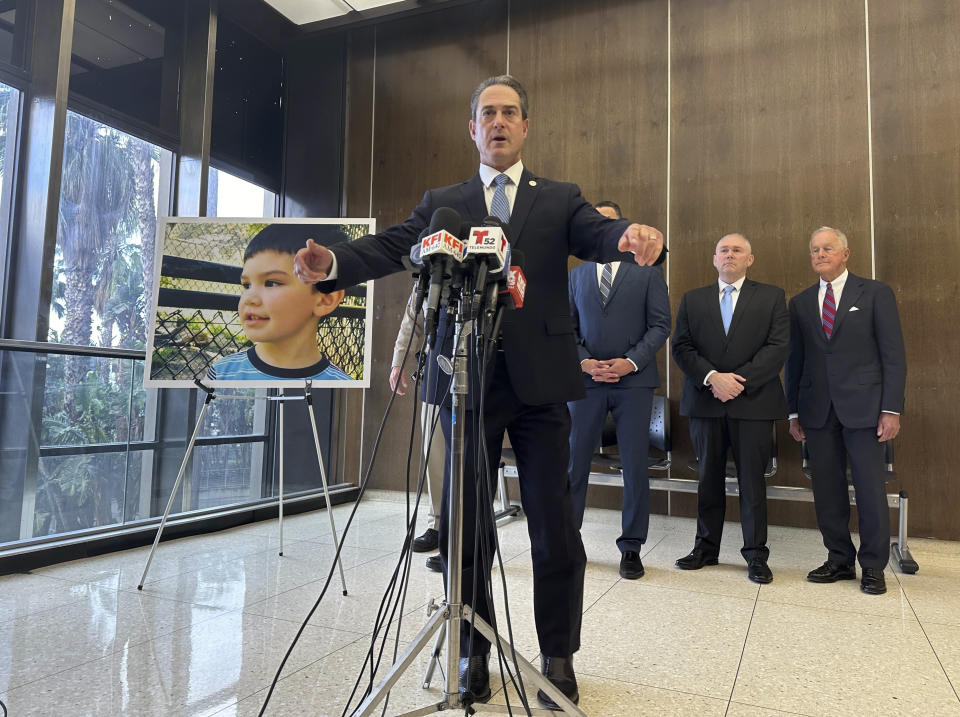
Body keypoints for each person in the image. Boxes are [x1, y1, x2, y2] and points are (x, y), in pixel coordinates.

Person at [292, 75, 665, 709]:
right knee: (466, 530)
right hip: (462, 380)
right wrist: (336, 263)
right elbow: (393, 245)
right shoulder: (447, 202)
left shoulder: (559, 197)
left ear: (525, 127)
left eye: (510, 113)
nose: (498, 122)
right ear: (473, 128)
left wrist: (629, 237)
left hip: (542, 387)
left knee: (554, 529)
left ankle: (557, 657)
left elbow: (598, 234)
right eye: (487, 112)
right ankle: (472, 652)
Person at [785, 227, 906, 595]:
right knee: (827, 489)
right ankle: (838, 559)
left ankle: (873, 566)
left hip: (866, 409)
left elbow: (893, 355)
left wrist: (891, 409)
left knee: (869, 489)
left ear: (845, 254)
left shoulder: (875, 293)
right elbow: (795, 361)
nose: (820, 254)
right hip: (817, 411)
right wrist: (793, 412)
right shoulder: (802, 303)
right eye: (814, 250)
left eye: (827, 248)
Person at [672, 233, 788, 584]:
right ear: (714, 259)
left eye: (737, 250)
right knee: (708, 477)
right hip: (706, 402)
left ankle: (755, 555)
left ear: (750, 259)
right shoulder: (692, 300)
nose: (730, 255)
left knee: (752, 481)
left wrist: (736, 381)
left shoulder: (771, 297)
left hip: (753, 401)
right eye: (724, 250)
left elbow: (777, 347)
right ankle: (706, 549)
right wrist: (712, 378)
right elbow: (682, 347)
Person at [567, 200, 670, 580]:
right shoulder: (575, 276)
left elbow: (660, 326)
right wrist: (584, 362)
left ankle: (631, 547)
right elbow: (567, 328)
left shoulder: (646, 272)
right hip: (585, 382)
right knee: (574, 465)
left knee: (635, 468)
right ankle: (569, 542)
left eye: (611, 223)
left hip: (634, 383)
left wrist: (629, 362)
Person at [207, 224, 349, 382]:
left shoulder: (342, 384)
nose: (249, 299)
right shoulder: (220, 373)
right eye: (247, 285)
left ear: (325, 300)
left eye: (272, 283)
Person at [389, 285, 446, 572]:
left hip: (479, 370)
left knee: (468, 457)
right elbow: (413, 317)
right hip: (435, 368)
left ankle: (462, 536)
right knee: (434, 452)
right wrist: (399, 361)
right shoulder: (432, 264)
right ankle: (437, 524)